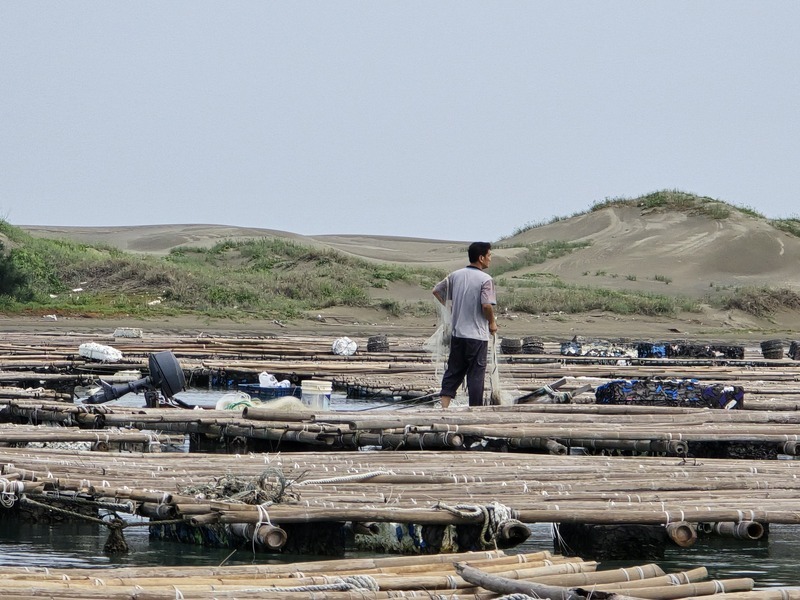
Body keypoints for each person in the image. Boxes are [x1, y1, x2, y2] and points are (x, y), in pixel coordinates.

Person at [432, 241, 497, 408]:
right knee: (476, 375)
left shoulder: (455, 275)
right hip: (477, 336)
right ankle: (474, 411)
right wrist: (492, 322)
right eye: (489, 256)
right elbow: (486, 305)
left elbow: (437, 291)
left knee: (454, 371)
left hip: (458, 334)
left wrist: (451, 307)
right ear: (481, 258)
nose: (490, 259)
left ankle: (444, 407)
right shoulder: (486, 279)